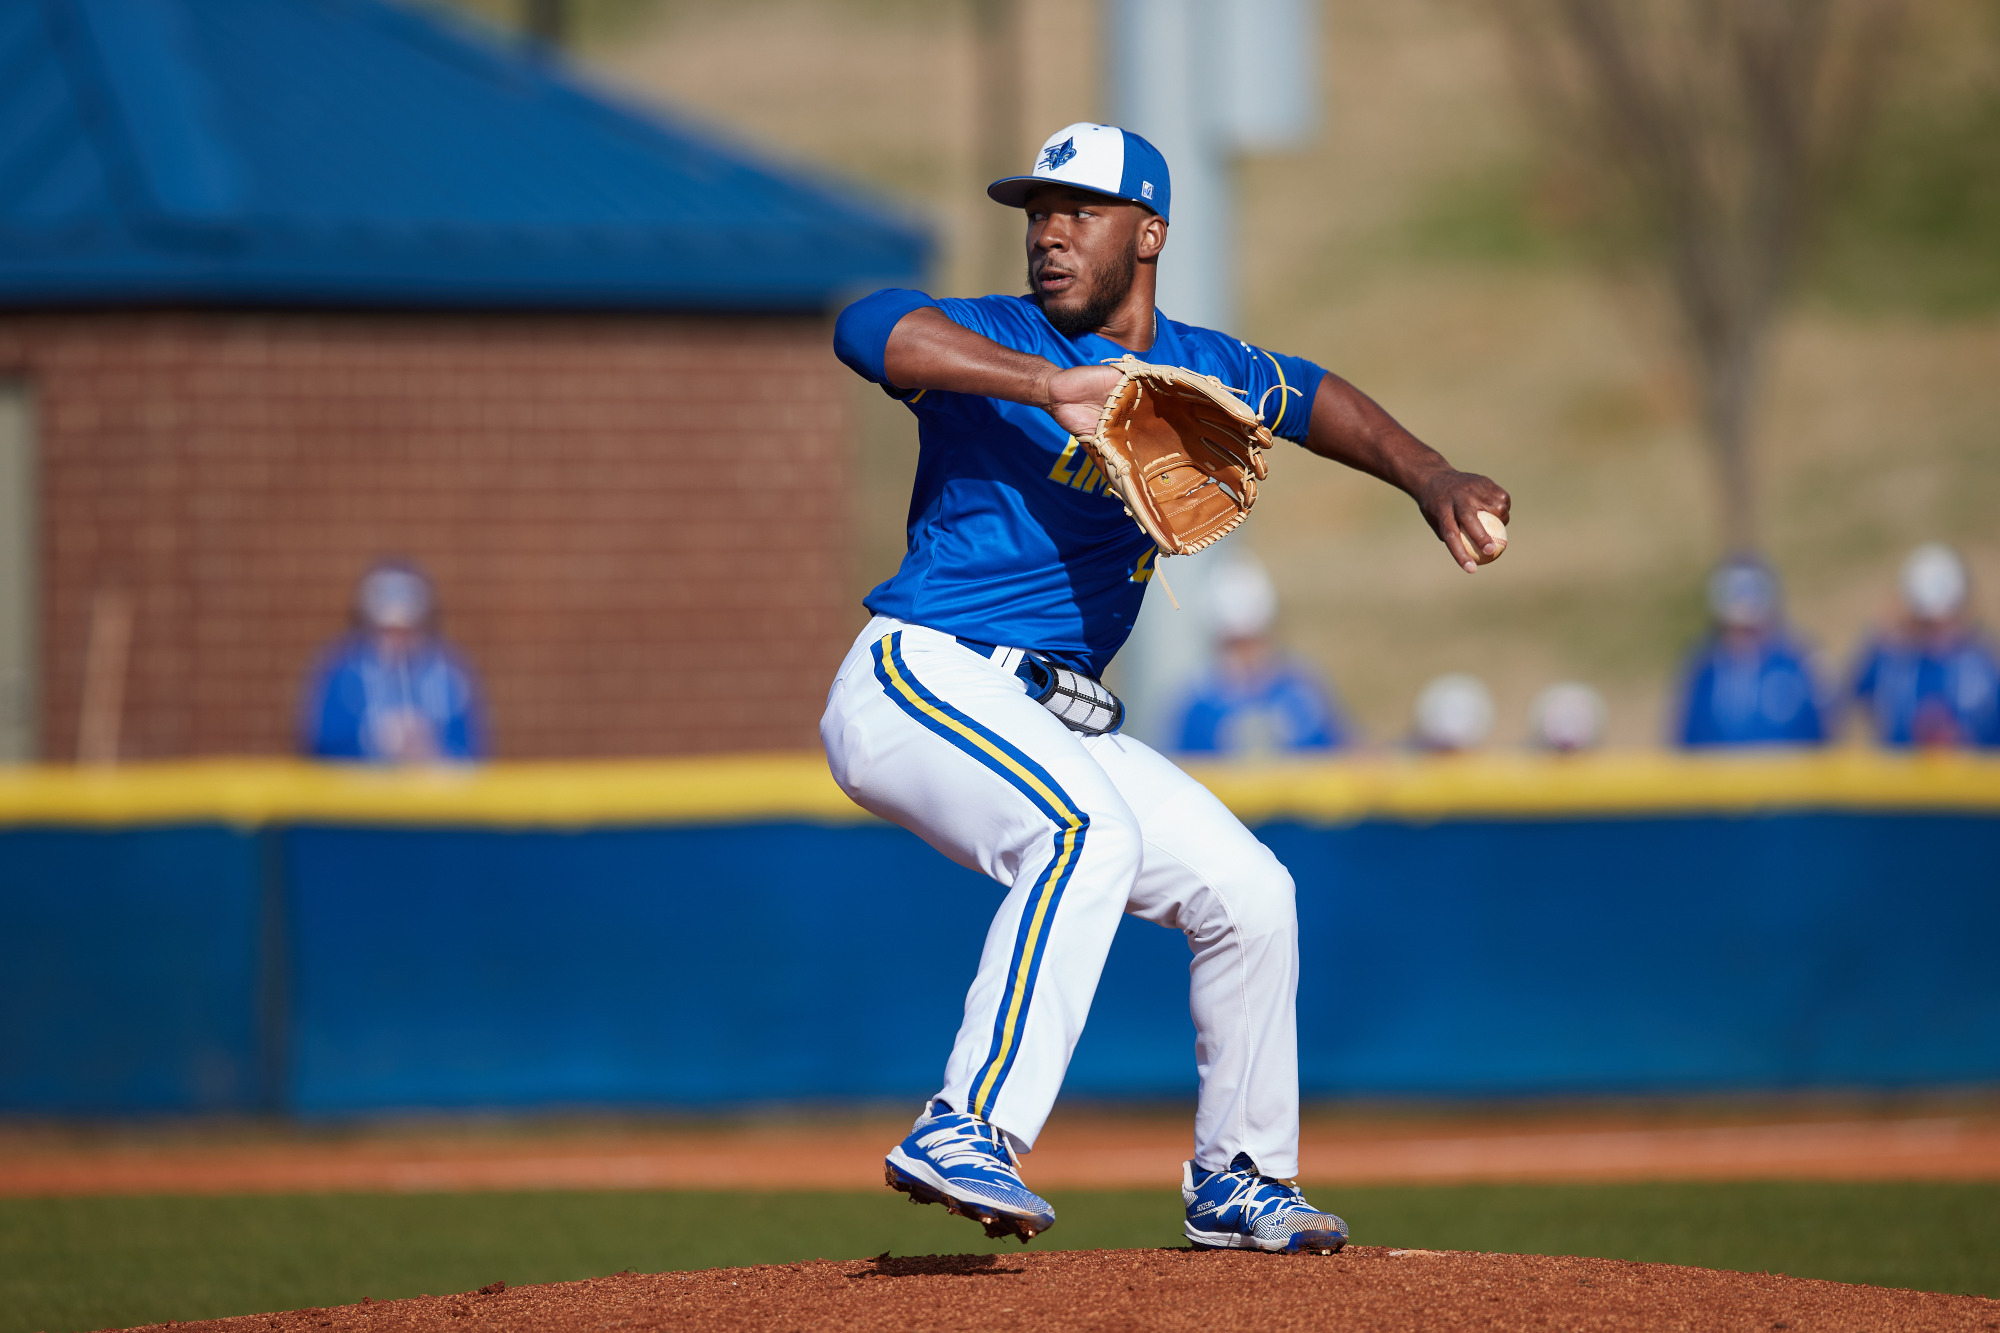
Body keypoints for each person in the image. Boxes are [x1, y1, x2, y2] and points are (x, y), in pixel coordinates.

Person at [823, 122, 1509, 1253]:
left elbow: (1310, 395)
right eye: (1038, 213)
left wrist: (1429, 475)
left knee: (1251, 892)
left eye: (1078, 212)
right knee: (1082, 831)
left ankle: (1240, 1174)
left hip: (1053, 712)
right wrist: (1050, 384)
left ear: (1147, 234)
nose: (1049, 234)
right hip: (923, 670)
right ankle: (967, 1123)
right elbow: (868, 326)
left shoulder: (1199, 368)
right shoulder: (999, 337)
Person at [300, 562, 487, 763]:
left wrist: (431, 749)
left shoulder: (450, 678)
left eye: (407, 632)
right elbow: (319, 748)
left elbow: (473, 753)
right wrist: (374, 739)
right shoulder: (343, 676)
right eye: (388, 632)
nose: (398, 642)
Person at [1171, 551, 1349, 757]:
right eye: (1234, 645)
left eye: (1253, 642)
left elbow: (1346, 756)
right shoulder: (1196, 709)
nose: (1245, 656)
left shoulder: (1304, 693)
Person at [1851, 543, 2000, 748]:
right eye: (1926, 623)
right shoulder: (1890, 661)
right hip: (1900, 766)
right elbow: (1851, 701)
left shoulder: (1983, 666)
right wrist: (1880, 634)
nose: (1937, 634)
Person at [1676, 558, 1826, 747]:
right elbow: (1686, 741)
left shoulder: (1797, 667)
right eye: (1734, 628)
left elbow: (1821, 739)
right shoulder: (1703, 671)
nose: (1742, 639)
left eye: (1750, 629)